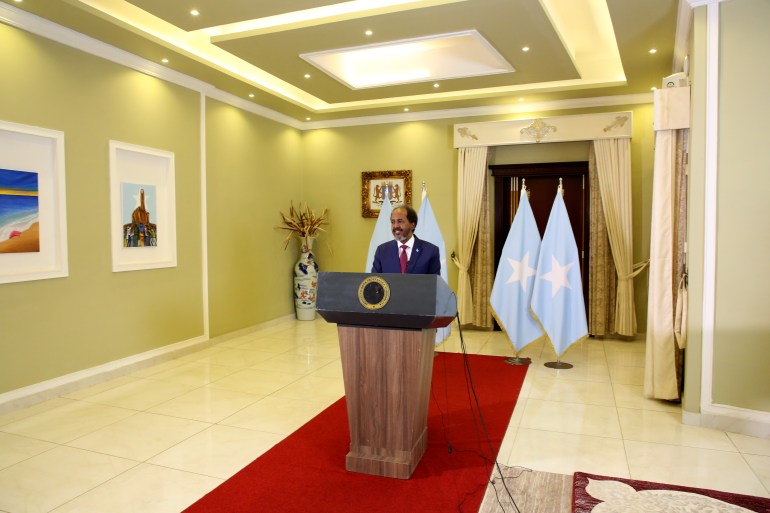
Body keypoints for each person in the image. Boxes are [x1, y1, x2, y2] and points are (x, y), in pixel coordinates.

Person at [371, 204, 441, 275]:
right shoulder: (382, 251)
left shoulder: (430, 251)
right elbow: (375, 282)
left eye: (400, 221)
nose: (395, 226)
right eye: (393, 222)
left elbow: (434, 284)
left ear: (412, 225)